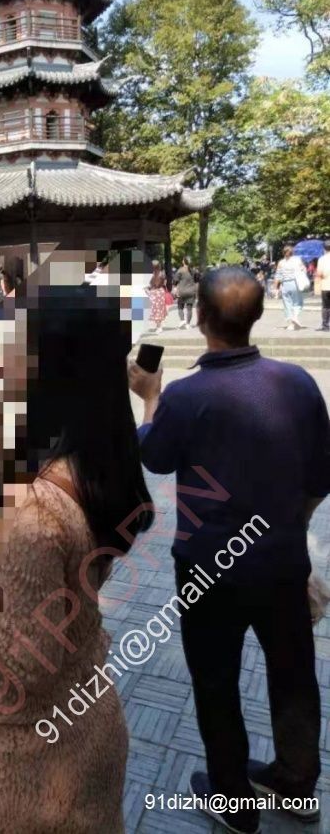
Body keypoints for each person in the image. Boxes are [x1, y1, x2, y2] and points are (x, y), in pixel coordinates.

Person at [0, 273, 156, 833]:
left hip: (28, 766)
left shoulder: (33, 510)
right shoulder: (95, 462)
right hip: (87, 719)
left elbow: (17, 669)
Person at [129, 267, 328, 834]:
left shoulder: (187, 395)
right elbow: (320, 478)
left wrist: (149, 397)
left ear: (201, 318)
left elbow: (154, 456)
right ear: (258, 315)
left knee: (215, 682)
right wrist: (291, 531)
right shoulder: (298, 384)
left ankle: (234, 799)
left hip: (207, 568)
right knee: (294, 674)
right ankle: (296, 783)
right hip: (282, 561)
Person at [273, 244, 307, 330]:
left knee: (287, 304)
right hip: (295, 283)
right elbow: (303, 270)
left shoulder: (281, 262)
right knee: (298, 302)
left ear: (283, 253)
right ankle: (295, 317)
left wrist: (276, 288)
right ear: (293, 252)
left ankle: (291, 325)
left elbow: (277, 276)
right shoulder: (297, 260)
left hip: (285, 285)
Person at [147, 260, 167, 333]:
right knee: (160, 309)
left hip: (153, 292)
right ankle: (159, 326)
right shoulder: (162, 274)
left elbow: (149, 285)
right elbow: (164, 283)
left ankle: (158, 326)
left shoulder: (151, 275)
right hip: (160, 292)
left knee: (155, 309)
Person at [315, 239, 330, 331]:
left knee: (326, 307)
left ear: (324, 248)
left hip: (326, 286)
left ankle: (325, 325)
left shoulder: (322, 259)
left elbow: (319, 274)